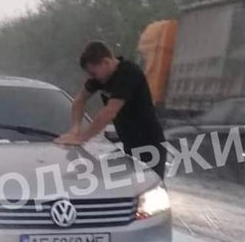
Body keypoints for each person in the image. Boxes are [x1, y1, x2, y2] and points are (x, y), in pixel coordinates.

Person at [55, 40, 167, 179]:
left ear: (106, 62)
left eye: (93, 73)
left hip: (150, 146)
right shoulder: (101, 77)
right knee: (117, 184)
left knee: (148, 187)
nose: (92, 77)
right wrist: (75, 129)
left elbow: (110, 112)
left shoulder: (127, 74)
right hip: (129, 145)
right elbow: (79, 100)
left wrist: (82, 138)